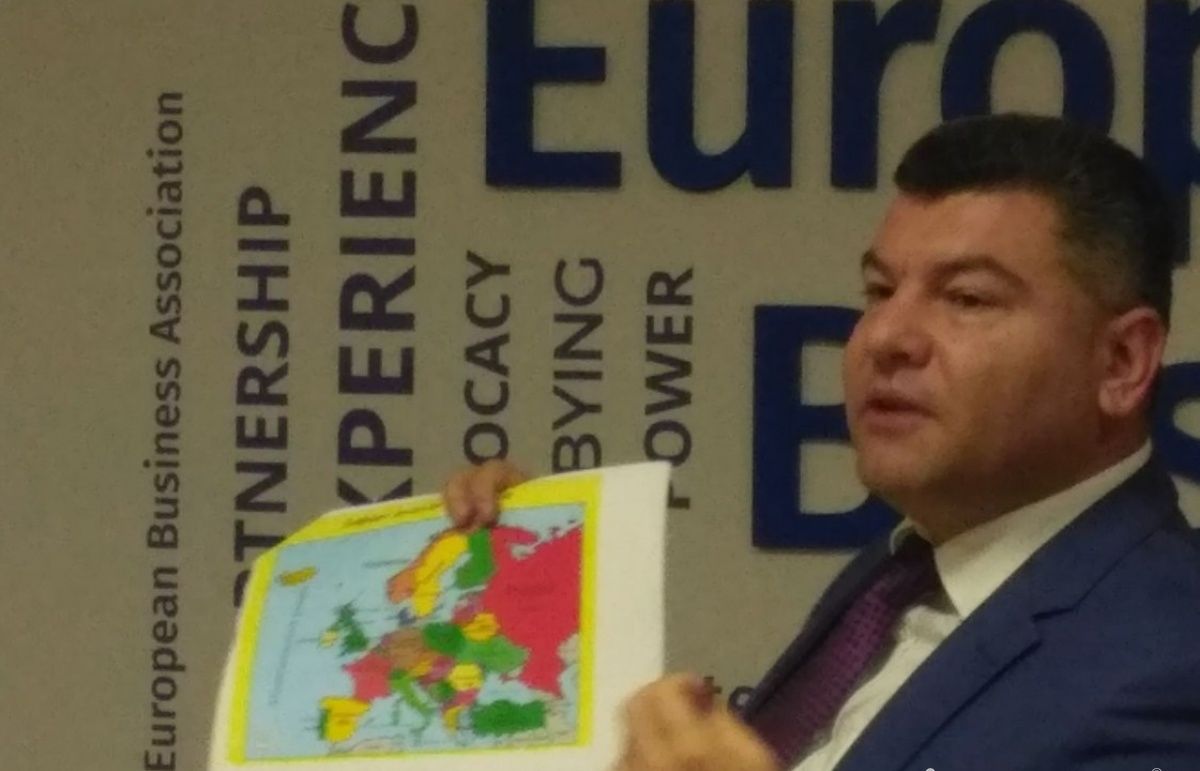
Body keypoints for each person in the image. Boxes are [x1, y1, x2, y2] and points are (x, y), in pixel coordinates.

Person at [443, 114, 1200, 771]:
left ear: (1121, 362)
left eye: (966, 298)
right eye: (879, 290)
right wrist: (526, 598)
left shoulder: (1171, 665)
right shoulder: (900, 577)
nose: (886, 336)